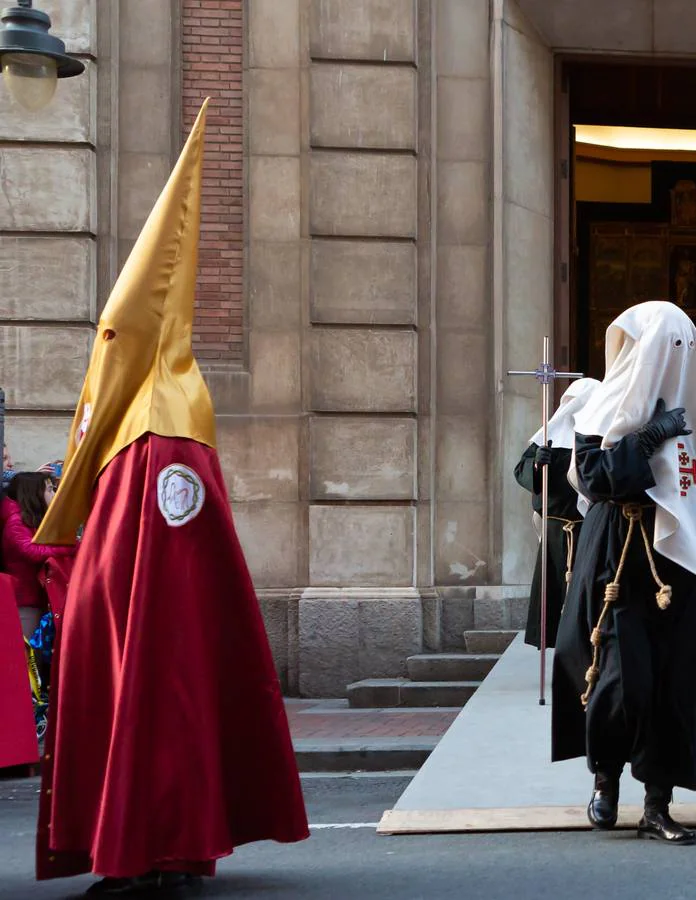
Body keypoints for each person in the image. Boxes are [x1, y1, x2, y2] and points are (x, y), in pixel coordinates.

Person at [35, 105, 308, 892]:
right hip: (124, 632)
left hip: (151, 640)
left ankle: (161, 842)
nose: (103, 352)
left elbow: (164, 586)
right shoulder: (139, 425)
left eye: (114, 339)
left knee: (164, 696)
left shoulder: (165, 431)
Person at [551, 301, 696, 845]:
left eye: (684, 349)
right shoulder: (605, 405)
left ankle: (657, 804)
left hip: (678, 564)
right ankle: (605, 778)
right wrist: (644, 438)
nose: (673, 360)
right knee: (618, 674)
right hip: (618, 553)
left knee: (676, 681)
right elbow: (590, 477)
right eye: (666, 348)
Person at [516, 378, 601, 648]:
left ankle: (587, 645)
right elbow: (523, 470)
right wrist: (538, 464)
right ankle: (556, 642)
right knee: (553, 590)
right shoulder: (547, 436)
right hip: (556, 528)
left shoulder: (599, 436)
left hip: (588, 526)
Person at [3, 472, 76, 641]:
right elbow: (33, 552)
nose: (54, 494)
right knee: (27, 653)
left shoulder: (33, 520)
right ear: (35, 494)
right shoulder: (16, 521)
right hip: (24, 600)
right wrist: (68, 549)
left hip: (39, 597)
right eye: (50, 489)